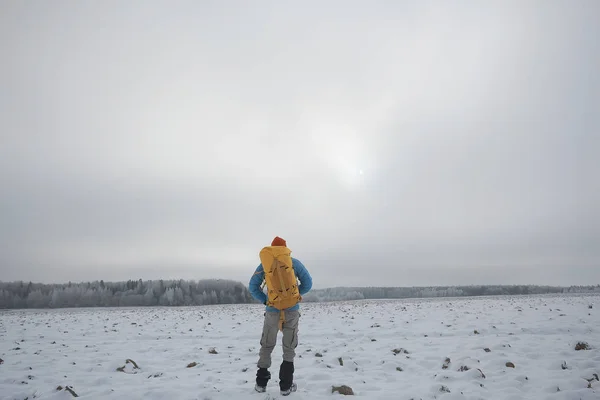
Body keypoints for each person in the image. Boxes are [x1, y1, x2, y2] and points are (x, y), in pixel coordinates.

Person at [249, 236, 313, 396]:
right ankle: (286, 386)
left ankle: (261, 384)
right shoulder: (294, 262)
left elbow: (252, 287)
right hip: (291, 310)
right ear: (285, 249)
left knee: (266, 345)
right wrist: (294, 296)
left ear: (271, 249)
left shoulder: (265, 263)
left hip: (272, 310)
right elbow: (308, 283)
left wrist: (266, 300)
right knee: (289, 347)